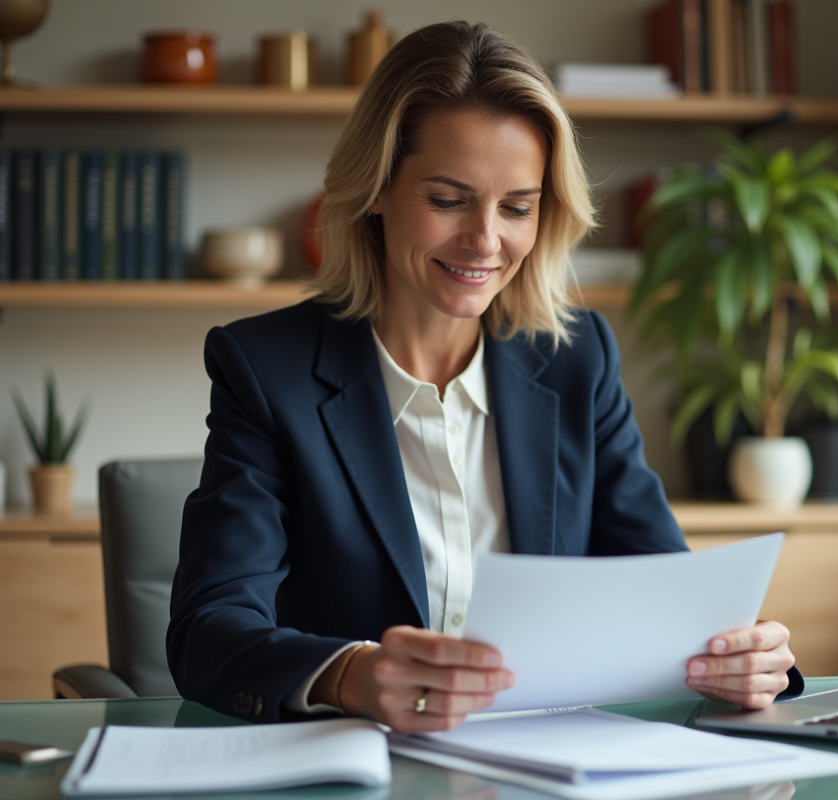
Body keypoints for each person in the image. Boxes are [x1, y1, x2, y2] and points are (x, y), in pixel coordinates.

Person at [167, 20, 800, 733]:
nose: (486, 241)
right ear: (376, 189)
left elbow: (666, 598)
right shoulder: (265, 368)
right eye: (448, 200)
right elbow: (207, 631)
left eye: (518, 207)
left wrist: (743, 657)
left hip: (547, 756)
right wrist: (351, 675)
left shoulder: (577, 359)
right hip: (357, 758)